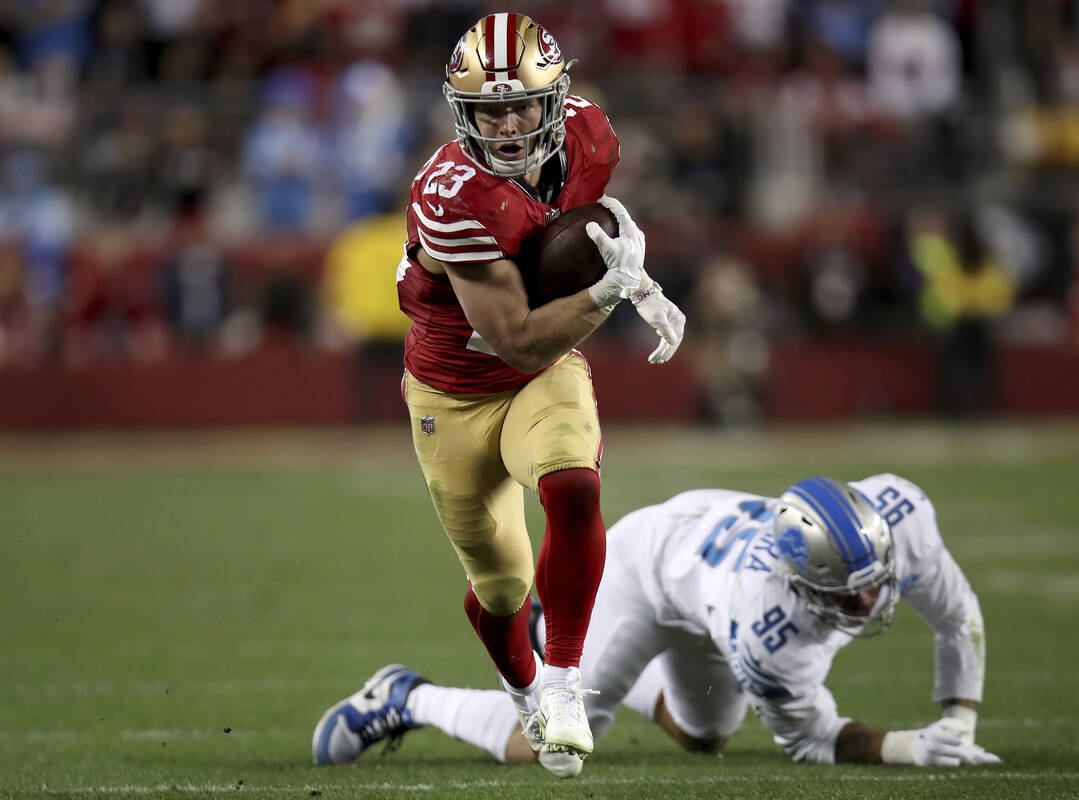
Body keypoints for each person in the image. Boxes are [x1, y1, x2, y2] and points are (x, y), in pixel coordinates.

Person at [310, 13, 686, 779]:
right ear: (461, 113)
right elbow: (515, 335)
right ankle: (523, 700)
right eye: (489, 110)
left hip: (542, 379)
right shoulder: (451, 194)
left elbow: (560, 260)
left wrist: (621, 272)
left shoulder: (589, 139)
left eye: (522, 106)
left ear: (556, 101)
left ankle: (565, 683)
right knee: (502, 587)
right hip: (453, 394)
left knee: (574, 482)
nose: (509, 124)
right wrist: (612, 290)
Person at [311, 474, 1001, 775]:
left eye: (874, 583)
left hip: (703, 571)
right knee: (554, 748)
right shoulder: (762, 621)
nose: (871, 603)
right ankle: (404, 696)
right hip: (644, 570)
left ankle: (571, 646)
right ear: (801, 582)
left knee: (706, 739)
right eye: (849, 597)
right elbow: (812, 740)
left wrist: (959, 720)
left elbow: (957, 615)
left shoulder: (900, 520)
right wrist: (911, 748)